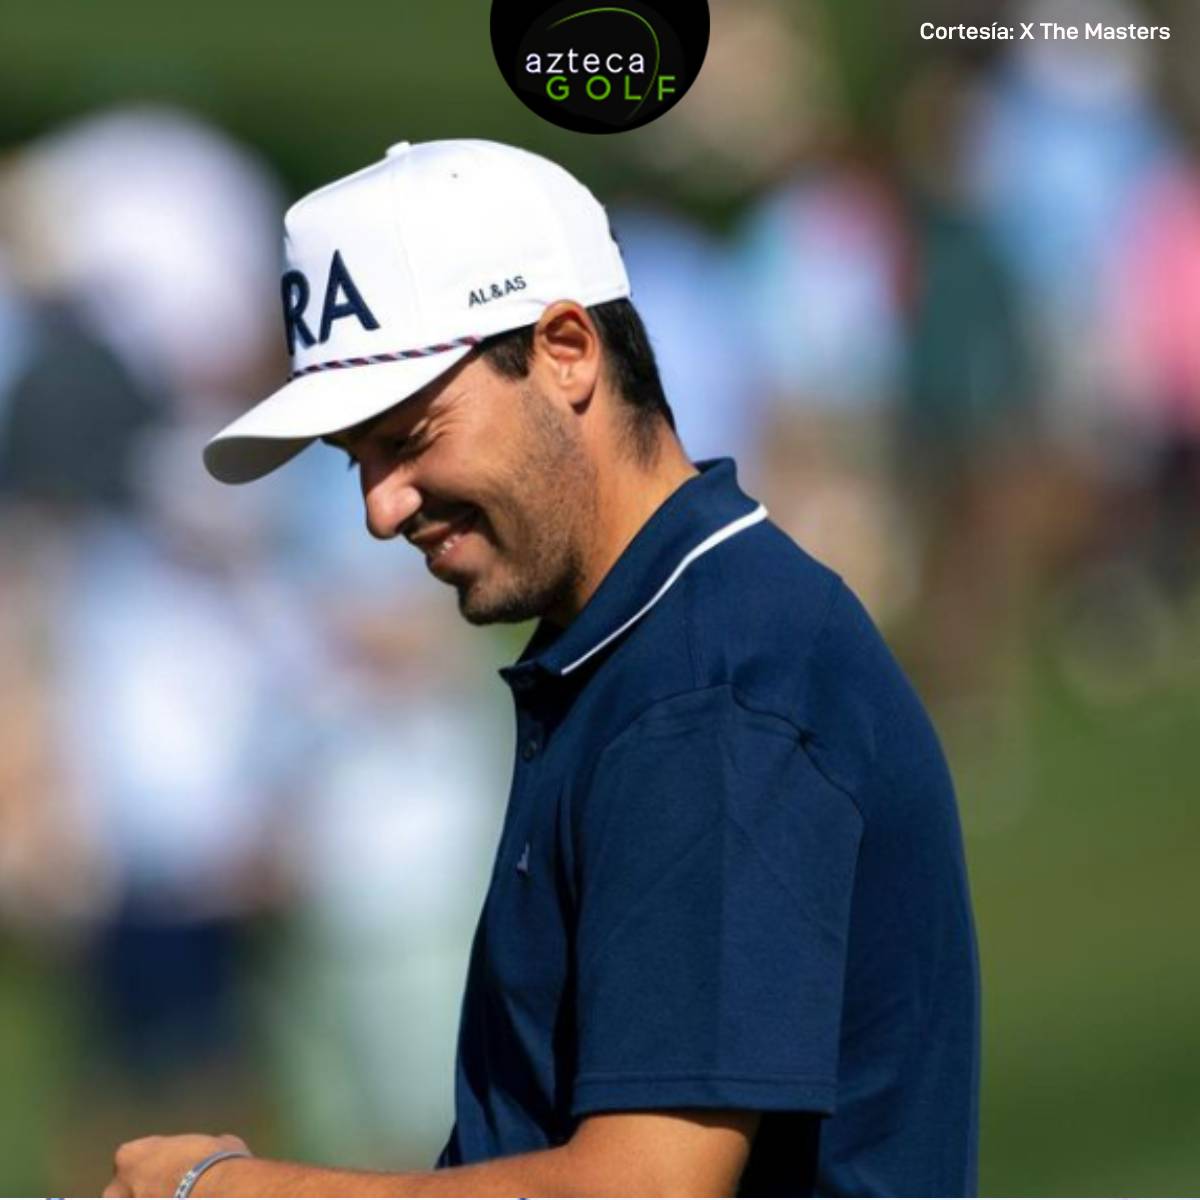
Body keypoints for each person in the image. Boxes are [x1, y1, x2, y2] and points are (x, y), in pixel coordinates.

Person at [105, 139, 980, 1198]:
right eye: (357, 459)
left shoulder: (708, 692)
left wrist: (237, 1193)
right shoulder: (655, 644)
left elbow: (639, 1188)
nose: (380, 508)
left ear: (567, 349)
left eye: (410, 435)